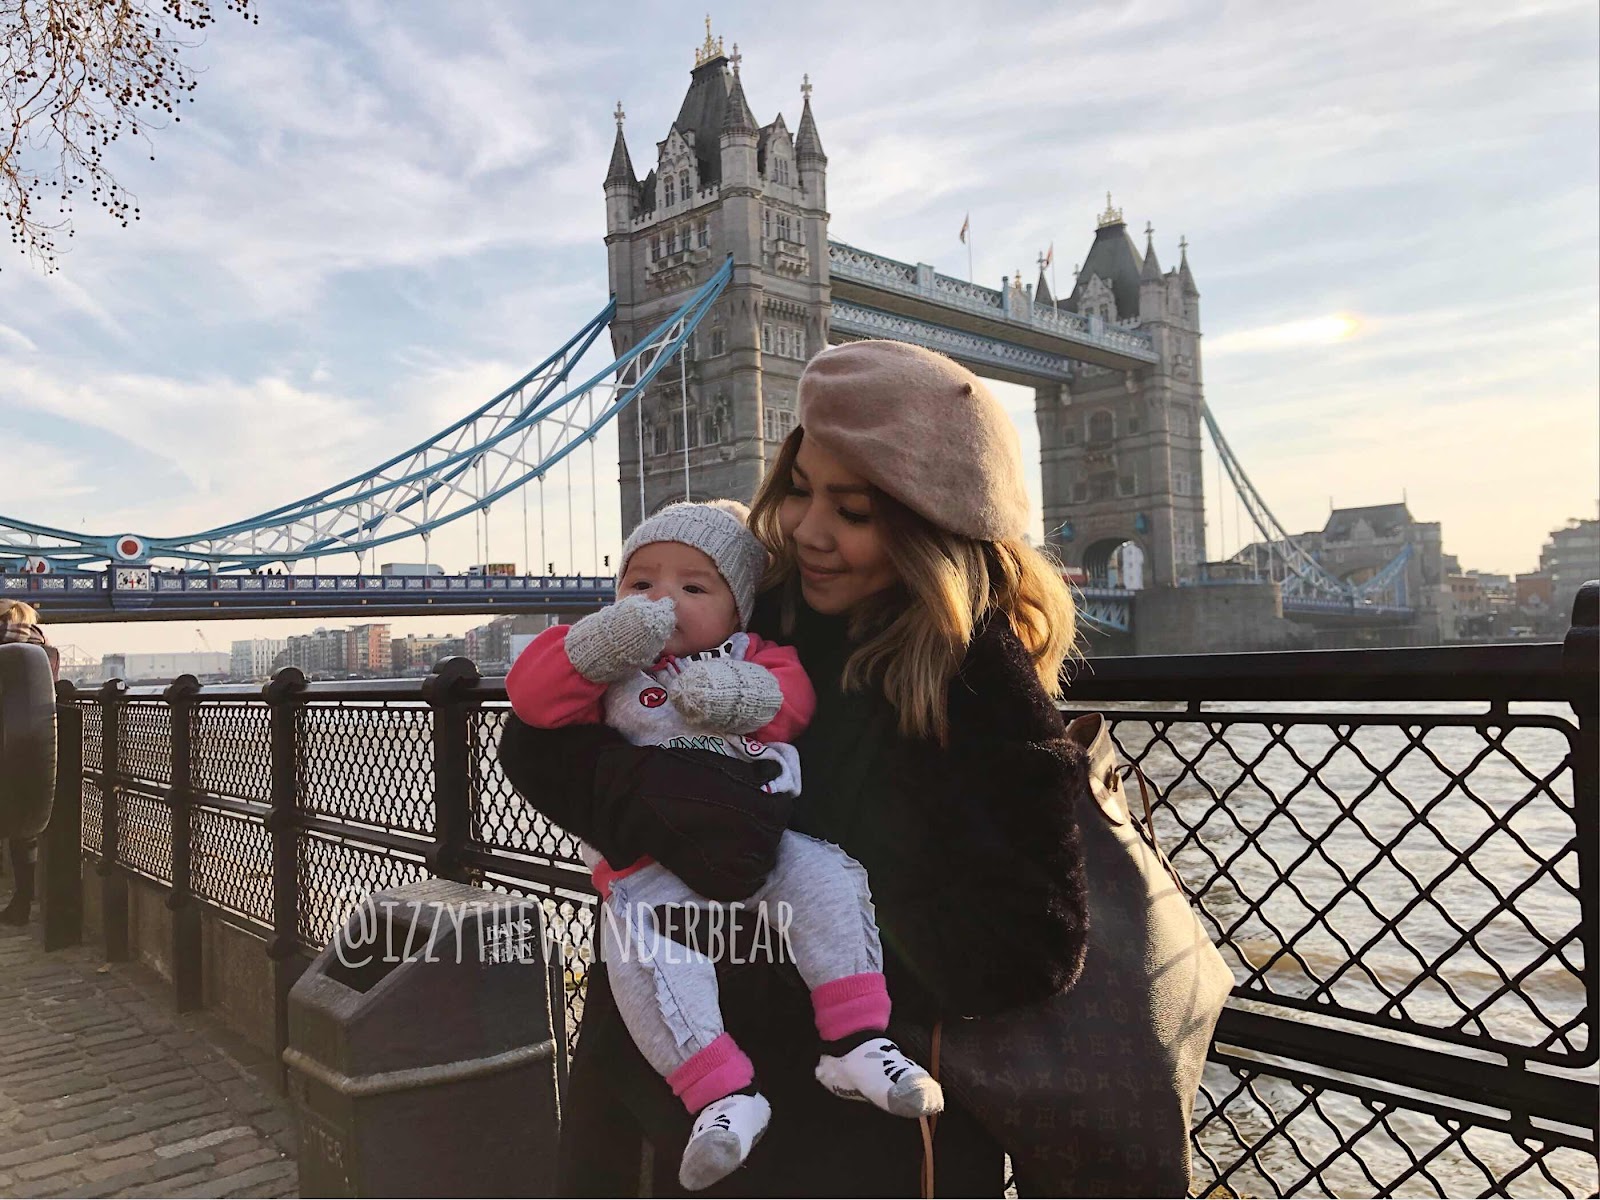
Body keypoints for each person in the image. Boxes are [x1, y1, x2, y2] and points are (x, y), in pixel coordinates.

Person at [499, 339, 1091, 1196]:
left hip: (843, 1146)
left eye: (852, 512)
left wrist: (805, 911)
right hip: (659, 1097)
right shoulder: (745, 594)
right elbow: (532, 739)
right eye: (802, 490)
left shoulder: (979, 684)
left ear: (932, 528)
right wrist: (658, 802)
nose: (809, 531)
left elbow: (1031, 949)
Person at [507, 500, 943, 1191]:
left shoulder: (756, 654)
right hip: (647, 868)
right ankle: (720, 1096)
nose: (661, 601)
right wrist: (595, 646)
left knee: (830, 880)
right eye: (639, 584)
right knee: (649, 962)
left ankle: (858, 1040)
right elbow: (532, 698)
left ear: (738, 611)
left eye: (693, 587)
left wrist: (738, 691)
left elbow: (793, 701)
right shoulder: (605, 674)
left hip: (767, 839)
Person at [0, 598, 58, 926]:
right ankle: (23, 901)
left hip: (5, 750)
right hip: (44, 756)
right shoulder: (45, 651)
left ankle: (20, 903)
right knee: (26, 834)